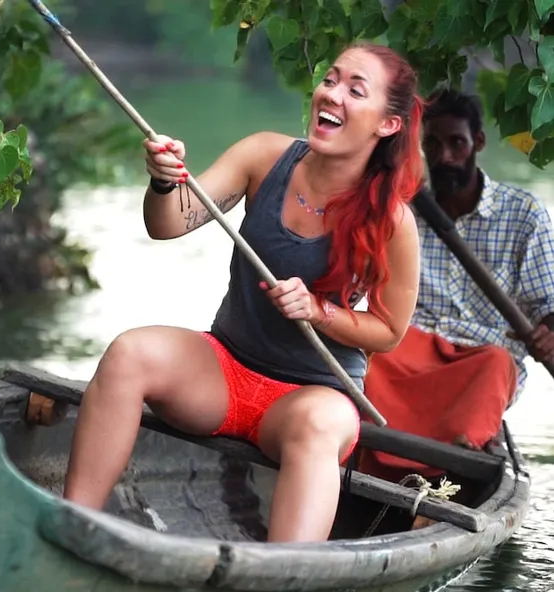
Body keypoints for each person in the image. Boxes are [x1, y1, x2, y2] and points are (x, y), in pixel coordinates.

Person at [62, 42, 424, 543]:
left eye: (355, 90)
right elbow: (167, 225)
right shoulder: (264, 155)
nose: (332, 94)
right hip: (225, 371)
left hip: (312, 398)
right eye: (330, 79)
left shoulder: (393, 221)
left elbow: (388, 331)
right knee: (130, 353)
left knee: (319, 427)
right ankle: (70, 530)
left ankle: (283, 575)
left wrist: (318, 311)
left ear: (387, 124)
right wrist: (165, 183)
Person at [359, 88, 554, 482]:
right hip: (409, 347)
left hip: (480, 357)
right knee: (367, 351)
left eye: (457, 143)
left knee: (498, 363)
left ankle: (455, 466)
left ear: (477, 142)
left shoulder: (524, 214)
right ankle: (365, 451)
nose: (445, 156)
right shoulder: (402, 212)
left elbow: (547, 305)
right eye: (433, 144)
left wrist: (548, 334)